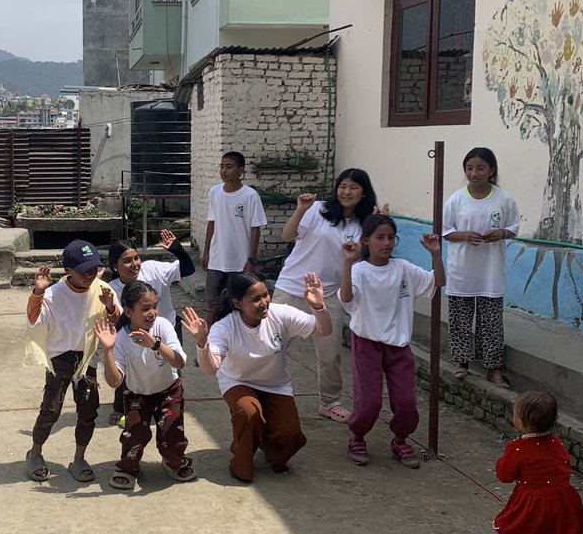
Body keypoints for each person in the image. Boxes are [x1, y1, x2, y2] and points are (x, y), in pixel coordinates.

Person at [181, 271, 330, 483]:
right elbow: (210, 369)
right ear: (237, 303)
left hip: (275, 383)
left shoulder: (280, 314)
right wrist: (202, 344)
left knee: (289, 435)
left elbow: (323, 330)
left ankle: (262, 439)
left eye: (266, 295)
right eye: (255, 299)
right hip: (238, 381)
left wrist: (318, 307)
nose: (264, 302)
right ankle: (241, 464)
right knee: (249, 413)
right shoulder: (225, 327)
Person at [272, 169, 381, 424]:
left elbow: (366, 259)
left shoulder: (364, 222)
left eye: (353, 187)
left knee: (330, 352)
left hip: (328, 293)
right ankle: (264, 392)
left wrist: (376, 226)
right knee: (275, 345)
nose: (346, 192)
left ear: (363, 192)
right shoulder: (318, 209)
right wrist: (300, 209)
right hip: (291, 287)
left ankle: (330, 402)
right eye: (342, 186)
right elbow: (286, 236)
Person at [339, 214, 444, 469]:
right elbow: (346, 298)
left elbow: (437, 282)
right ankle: (358, 436)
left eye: (390, 237)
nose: (386, 243)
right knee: (370, 401)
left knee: (406, 401)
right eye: (379, 238)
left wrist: (436, 255)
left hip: (399, 346)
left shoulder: (404, 269)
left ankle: (400, 439)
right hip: (367, 342)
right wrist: (347, 264)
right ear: (366, 240)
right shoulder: (359, 271)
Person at [24, 239, 118, 482]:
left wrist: (109, 307)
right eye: (83, 269)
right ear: (68, 270)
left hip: (87, 358)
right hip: (60, 358)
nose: (90, 274)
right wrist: (37, 293)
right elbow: (34, 320)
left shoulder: (103, 289)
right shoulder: (53, 294)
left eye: (94, 268)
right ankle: (35, 452)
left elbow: (114, 319)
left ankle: (79, 458)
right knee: (51, 409)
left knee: (88, 410)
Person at [95, 279, 194, 490]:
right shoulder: (121, 338)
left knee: (171, 436)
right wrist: (108, 350)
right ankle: (128, 468)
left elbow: (179, 362)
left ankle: (173, 460)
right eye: (145, 308)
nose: (152, 313)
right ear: (129, 312)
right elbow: (114, 381)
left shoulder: (163, 326)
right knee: (135, 434)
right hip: (137, 394)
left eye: (154, 307)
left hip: (169, 391)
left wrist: (155, 344)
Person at [484, 390, 583, 534]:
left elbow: (505, 475)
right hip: (561, 500)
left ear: (521, 423)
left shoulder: (518, 447)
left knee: (507, 532)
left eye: (515, 414)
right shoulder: (557, 443)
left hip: (532, 499)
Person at [443, 147, 520, 389]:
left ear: (491, 170)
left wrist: (501, 233)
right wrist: (464, 235)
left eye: (480, 168)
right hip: (462, 271)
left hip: (490, 272)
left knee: (491, 321)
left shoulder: (503, 199)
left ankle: (493, 368)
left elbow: (513, 228)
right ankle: (461, 362)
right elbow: (446, 232)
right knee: (460, 319)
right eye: (469, 168)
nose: (474, 173)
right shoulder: (456, 199)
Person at [105, 229, 195, 425]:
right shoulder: (111, 289)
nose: (134, 264)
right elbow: (120, 321)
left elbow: (188, 269)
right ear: (115, 266)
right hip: (132, 334)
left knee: (171, 370)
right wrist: (111, 307)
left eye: (136, 258)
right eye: (127, 261)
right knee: (131, 374)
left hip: (167, 328)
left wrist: (178, 250)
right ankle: (124, 405)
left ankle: (171, 406)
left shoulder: (154, 269)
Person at [201, 151, 267, 318]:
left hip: (239, 261)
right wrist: (206, 252)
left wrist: (251, 258)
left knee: (236, 303)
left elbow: (255, 229)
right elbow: (212, 223)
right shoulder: (215, 192)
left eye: (229, 167)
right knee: (211, 302)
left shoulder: (250, 195)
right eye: (222, 166)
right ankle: (211, 338)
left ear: (241, 170)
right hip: (217, 258)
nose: (224, 170)